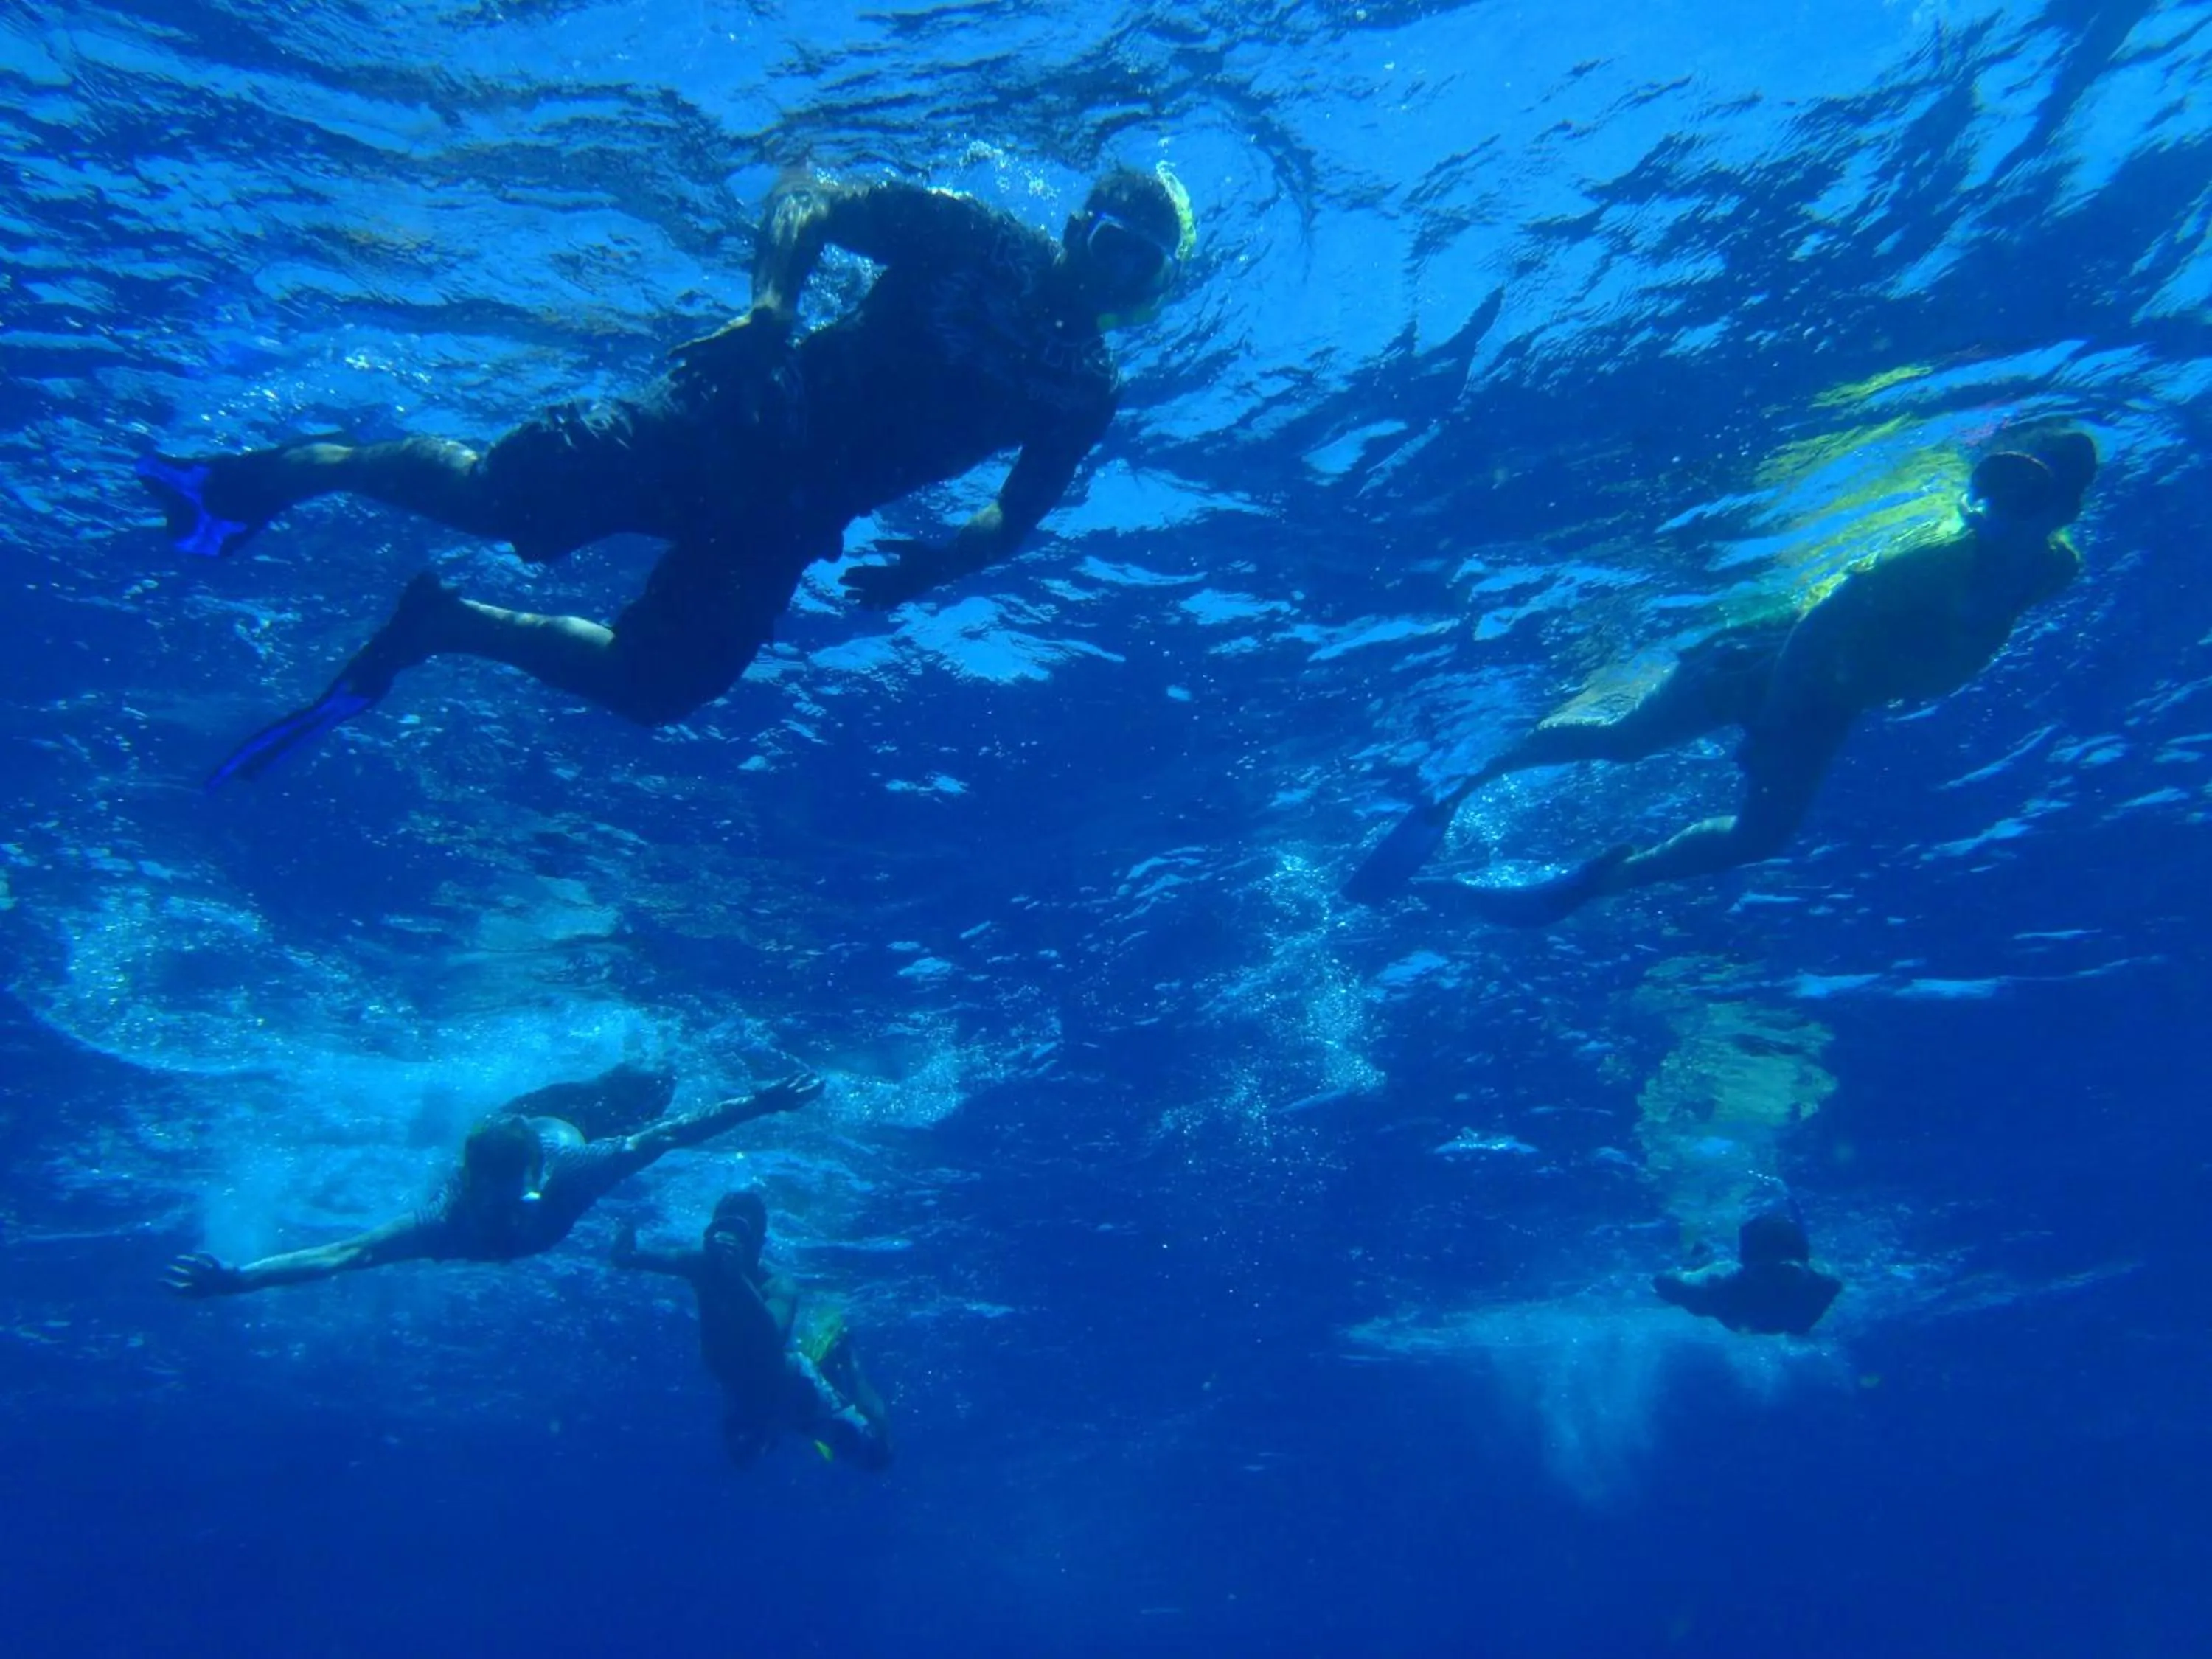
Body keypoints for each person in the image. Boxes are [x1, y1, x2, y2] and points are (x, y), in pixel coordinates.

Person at [136, 163, 1199, 783]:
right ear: (1076, 224)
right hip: (729, 417)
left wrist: (931, 569)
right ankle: (287, 472)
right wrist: (774, 307)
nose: (1110, 270)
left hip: (791, 518)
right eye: (1109, 239)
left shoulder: (1084, 390)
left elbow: (1014, 515)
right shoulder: (983, 240)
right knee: (500, 497)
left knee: (659, 684)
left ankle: (442, 624)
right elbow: (810, 191)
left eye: (1138, 264)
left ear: (1153, 286)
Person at [1343, 429, 2098, 922]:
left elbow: (1929, 648)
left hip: (1828, 705)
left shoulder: (2054, 570)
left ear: (2062, 510)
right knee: (1624, 742)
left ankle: (1584, 887)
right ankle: (1462, 788)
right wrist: (1773, 720)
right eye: (1995, 484)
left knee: (1762, 838)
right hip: (1765, 664)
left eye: (2027, 494)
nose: (1999, 507)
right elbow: (1819, 626)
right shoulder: (1934, 559)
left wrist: (1886, 686)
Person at [164, 1065, 821, 1295]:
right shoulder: (447, 1223)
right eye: (496, 1209)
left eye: (518, 1205)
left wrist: (762, 1102)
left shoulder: (574, 1173)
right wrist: (239, 1280)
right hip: (519, 1120)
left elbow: (668, 1133)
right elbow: (347, 1252)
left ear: (535, 1180)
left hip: (576, 1119)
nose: (511, 1221)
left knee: (653, 1081)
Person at [613, 1190, 894, 1471]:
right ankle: (824, 1366)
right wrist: (626, 1252)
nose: (730, 1242)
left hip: (796, 1393)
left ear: (759, 1243)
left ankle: (846, 1357)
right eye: (724, 1229)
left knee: (876, 1455)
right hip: (745, 1395)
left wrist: (737, 1280)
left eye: (743, 1234)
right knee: (740, 1459)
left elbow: (772, 1336)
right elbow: (637, 1257)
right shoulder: (699, 1264)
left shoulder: (778, 1284)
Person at [1653, 1205, 1843, 1336]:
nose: (1774, 1287)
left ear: (1807, 1267)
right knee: (1699, 1259)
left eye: (1786, 1273)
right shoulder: (1717, 1287)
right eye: (1765, 1274)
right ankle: (1701, 1252)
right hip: (1713, 1290)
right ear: (1745, 1269)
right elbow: (1664, 1281)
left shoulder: (1827, 1288)